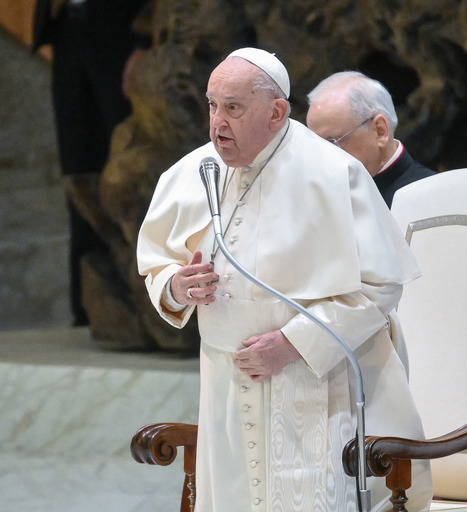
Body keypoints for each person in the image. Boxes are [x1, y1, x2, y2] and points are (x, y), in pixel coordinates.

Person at [137, 48, 433, 512]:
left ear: (276, 112)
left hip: (319, 386)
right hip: (227, 388)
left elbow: (379, 287)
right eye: (212, 105)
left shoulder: (334, 174)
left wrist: (294, 344)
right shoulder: (191, 173)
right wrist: (177, 285)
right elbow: (157, 264)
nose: (217, 122)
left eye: (233, 107)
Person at [32, 0, 152, 326]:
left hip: (120, 33)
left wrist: (146, 41)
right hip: (68, 30)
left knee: (126, 167)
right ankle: (89, 305)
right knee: (79, 171)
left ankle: (147, 302)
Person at [305, 71, 436, 208]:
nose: (323, 159)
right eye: (316, 146)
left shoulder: (433, 197)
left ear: (380, 131)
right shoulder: (324, 202)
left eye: (332, 142)